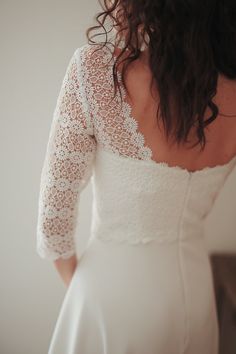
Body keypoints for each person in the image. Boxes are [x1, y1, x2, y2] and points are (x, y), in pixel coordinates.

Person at [36, 1, 236, 353]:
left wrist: (85, 292)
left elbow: (53, 227)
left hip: (114, 300)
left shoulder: (97, 72)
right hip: (194, 295)